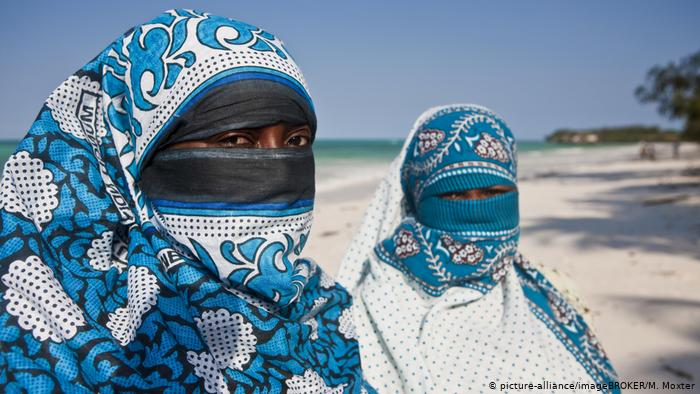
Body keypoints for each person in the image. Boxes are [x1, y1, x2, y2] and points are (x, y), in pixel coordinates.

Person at [0, 9, 372, 393]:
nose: (278, 169)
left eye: (296, 141)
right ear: (138, 156)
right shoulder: (49, 321)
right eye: (235, 141)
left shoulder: (323, 307)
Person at [337, 104, 619, 393]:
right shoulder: (374, 301)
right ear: (418, 199)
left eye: (492, 193)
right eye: (454, 193)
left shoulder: (557, 291)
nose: (475, 206)